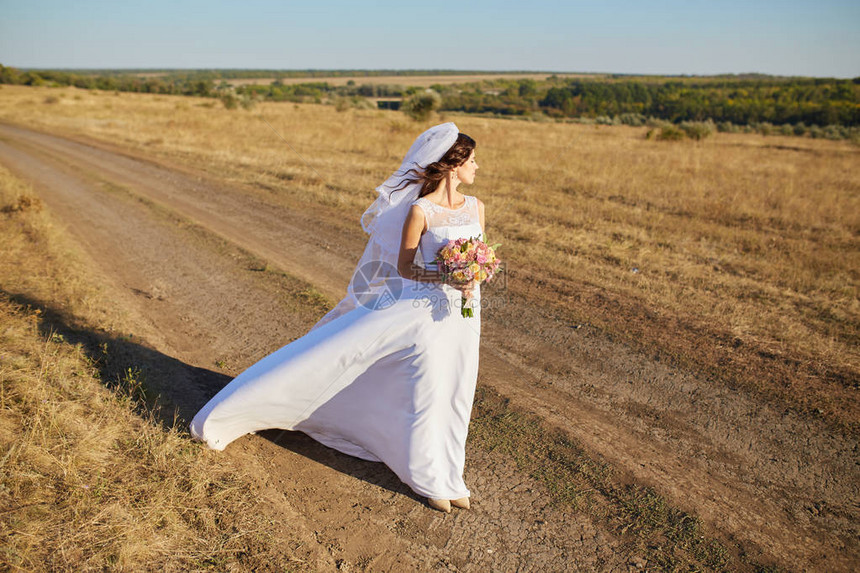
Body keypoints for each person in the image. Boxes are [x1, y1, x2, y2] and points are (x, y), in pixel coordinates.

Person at [189, 122, 485, 513]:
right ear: (453, 166)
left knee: (456, 388)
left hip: (463, 312)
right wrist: (446, 275)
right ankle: (432, 478)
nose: (477, 167)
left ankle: (449, 474)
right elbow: (407, 267)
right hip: (419, 309)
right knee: (425, 389)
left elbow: (481, 255)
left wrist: (476, 275)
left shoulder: (477, 207)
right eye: (473, 160)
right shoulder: (420, 210)